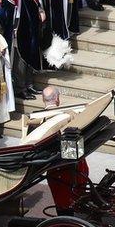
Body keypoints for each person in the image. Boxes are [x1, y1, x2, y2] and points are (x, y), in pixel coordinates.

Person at [1, 0, 45, 100]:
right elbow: (8, 0)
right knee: (21, 57)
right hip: (19, 26)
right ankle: (20, 88)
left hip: (31, 23)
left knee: (31, 52)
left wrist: (40, 9)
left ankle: (29, 84)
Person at [42, 86, 91, 215]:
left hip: (58, 169)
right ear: (57, 99)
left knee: (63, 206)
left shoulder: (36, 121)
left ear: (43, 99)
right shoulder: (70, 115)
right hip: (76, 167)